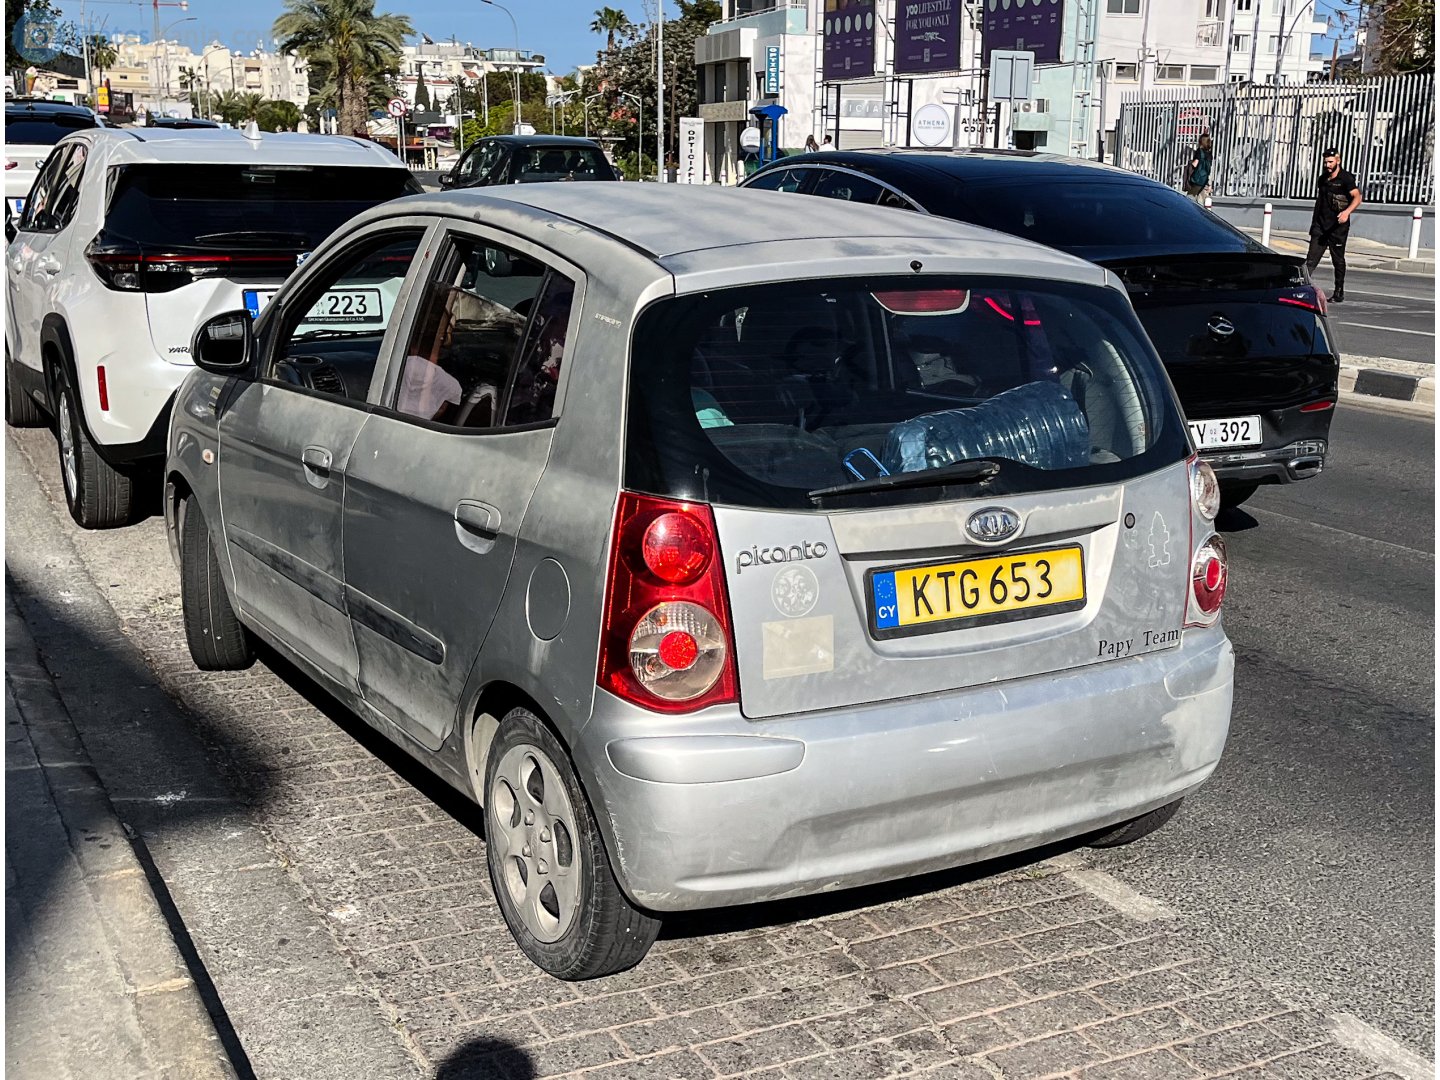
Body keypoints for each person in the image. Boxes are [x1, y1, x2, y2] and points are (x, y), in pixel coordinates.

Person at [1306, 147, 1362, 303]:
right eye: (1325, 162)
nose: (1327, 165)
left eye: (1330, 162)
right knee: (1311, 259)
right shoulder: (1322, 179)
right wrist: (1314, 224)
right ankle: (1300, 288)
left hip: (1338, 227)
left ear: (1338, 161)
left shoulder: (1346, 179)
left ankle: (1339, 291)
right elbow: (1319, 202)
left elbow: (1357, 197)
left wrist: (1346, 212)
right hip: (1321, 226)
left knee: (1337, 260)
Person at [1184, 133, 1213, 202]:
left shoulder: (1199, 151)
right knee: (1201, 202)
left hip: (1197, 179)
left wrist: (1190, 163)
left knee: (1189, 200)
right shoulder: (1209, 154)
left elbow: (1195, 164)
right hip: (1205, 180)